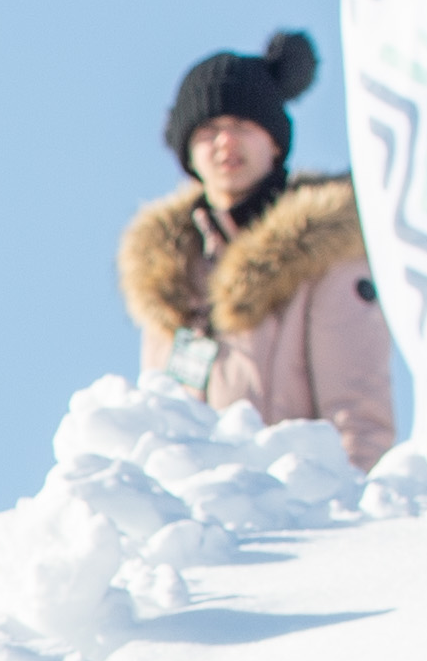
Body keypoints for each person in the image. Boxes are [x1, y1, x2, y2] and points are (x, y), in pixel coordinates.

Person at [120, 33, 397, 468]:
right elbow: (158, 425)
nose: (225, 142)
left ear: (275, 143)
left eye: (243, 126)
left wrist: (351, 501)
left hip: (296, 502)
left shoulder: (324, 256)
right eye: (209, 130)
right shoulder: (170, 279)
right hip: (200, 506)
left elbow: (358, 418)